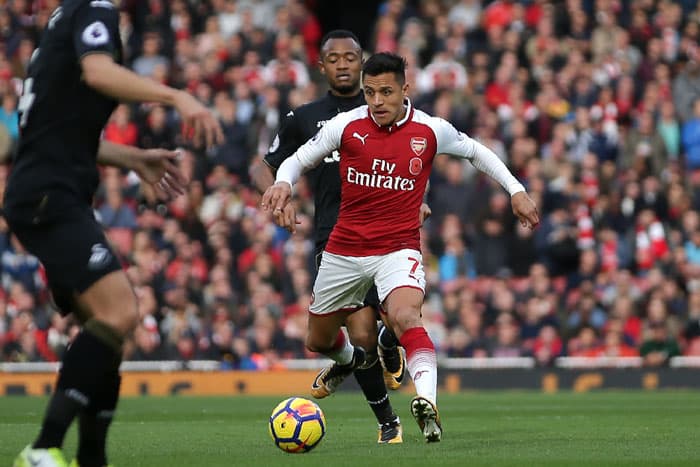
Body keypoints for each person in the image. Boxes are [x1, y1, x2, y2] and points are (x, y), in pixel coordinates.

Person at [262, 52, 539, 443]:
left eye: (386, 92)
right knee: (318, 340)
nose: (377, 101)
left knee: (407, 317)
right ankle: (355, 359)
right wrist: (283, 184)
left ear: (404, 90)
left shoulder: (429, 130)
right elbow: (298, 160)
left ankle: (427, 403)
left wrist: (516, 190)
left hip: (398, 249)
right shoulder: (346, 125)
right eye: (371, 92)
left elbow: (477, 152)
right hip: (344, 250)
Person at [5, 1, 222, 466]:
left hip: (45, 189)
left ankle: (92, 458)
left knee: (105, 332)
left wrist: (132, 158)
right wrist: (178, 97)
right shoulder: (94, 11)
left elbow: (49, 130)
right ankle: (42, 448)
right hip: (51, 193)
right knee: (121, 311)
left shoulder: (62, 23)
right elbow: (100, 73)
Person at [252, 30, 417, 444]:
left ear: (362, 63)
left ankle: (384, 343)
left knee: (398, 316)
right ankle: (387, 421)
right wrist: (278, 195)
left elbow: (417, 155)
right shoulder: (303, 118)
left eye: (350, 57)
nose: (343, 64)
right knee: (358, 333)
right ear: (321, 66)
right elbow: (265, 166)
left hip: (391, 230)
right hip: (336, 237)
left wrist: (420, 199)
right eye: (334, 58)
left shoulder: (384, 108)